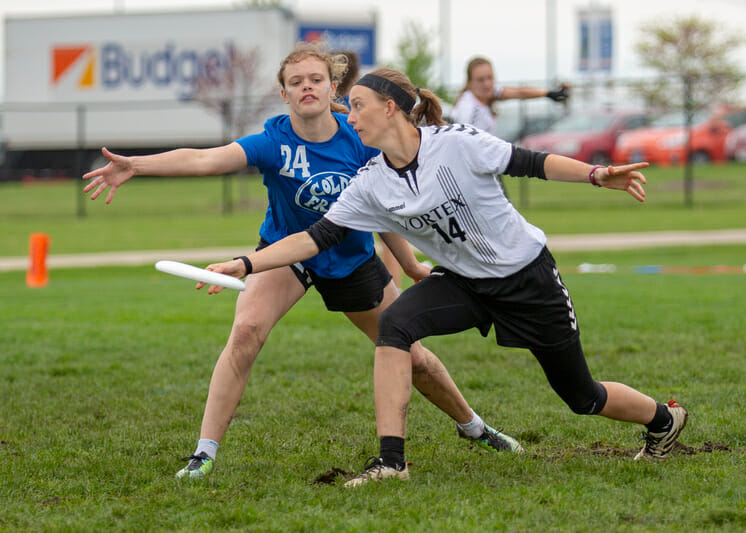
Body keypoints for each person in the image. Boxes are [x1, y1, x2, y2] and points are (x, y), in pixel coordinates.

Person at [201, 67, 689, 487]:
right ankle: (392, 462)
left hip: (527, 279)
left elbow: (532, 163)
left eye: (358, 106)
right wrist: (245, 264)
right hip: (462, 281)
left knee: (582, 396)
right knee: (395, 327)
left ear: (390, 108)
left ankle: (665, 419)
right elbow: (316, 237)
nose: (349, 117)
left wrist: (596, 175)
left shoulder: (456, 144)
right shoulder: (369, 181)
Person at [82, 44, 522, 480]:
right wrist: (136, 165)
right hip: (284, 254)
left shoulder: (360, 139)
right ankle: (203, 454)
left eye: (315, 80)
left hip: (350, 259)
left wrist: (408, 265)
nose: (306, 87)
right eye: (296, 82)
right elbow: (206, 158)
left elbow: (383, 211)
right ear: (284, 94)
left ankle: (474, 427)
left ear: (332, 87)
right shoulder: (273, 140)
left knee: (415, 357)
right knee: (246, 333)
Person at [335, 49, 404, 289]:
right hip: (366, 173)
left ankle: (393, 287)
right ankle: (395, 286)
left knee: (385, 230)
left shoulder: (347, 100)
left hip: (360, 172)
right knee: (389, 230)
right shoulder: (359, 98)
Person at [451, 56, 569, 136]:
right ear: (469, 83)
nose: (487, 84)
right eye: (480, 80)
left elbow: (519, 93)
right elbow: (462, 145)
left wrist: (548, 94)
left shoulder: (486, 94)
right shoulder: (468, 109)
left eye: (490, 78)